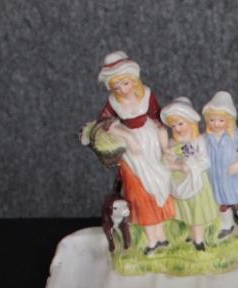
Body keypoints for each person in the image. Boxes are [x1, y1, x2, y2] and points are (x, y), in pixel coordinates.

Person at [85, 52, 177, 254]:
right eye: (116, 87)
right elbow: (103, 124)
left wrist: (165, 147)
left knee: (159, 188)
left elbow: (159, 120)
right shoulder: (113, 102)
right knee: (138, 192)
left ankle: (162, 235)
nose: (121, 90)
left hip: (151, 144)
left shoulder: (147, 94)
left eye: (125, 84)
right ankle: (151, 240)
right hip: (131, 153)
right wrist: (125, 134)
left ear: (133, 80)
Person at [160, 98, 220, 251]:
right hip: (179, 183)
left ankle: (199, 240)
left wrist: (191, 165)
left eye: (181, 124)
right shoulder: (172, 142)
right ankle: (191, 234)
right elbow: (167, 160)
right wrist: (172, 164)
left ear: (190, 123)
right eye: (173, 126)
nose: (177, 129)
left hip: (195, 183)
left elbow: (205, 161)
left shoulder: (198, 140)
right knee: (186, 211)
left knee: (196, 211)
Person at [201, 92, 238, 239]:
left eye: (220, 120)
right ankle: (227, 225)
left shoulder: (236, 135)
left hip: (232, 178)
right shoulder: (206, 137)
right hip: (217, 177)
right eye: (212, 120)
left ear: (228, 120)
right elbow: (199, 150)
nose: (216, 123)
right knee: (223, 204)